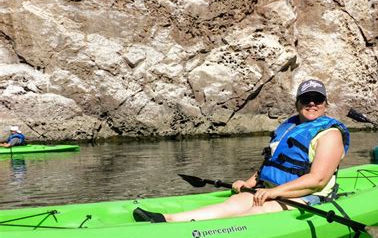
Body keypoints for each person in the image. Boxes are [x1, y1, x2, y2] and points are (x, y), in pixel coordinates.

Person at [133, 79, 350, 223]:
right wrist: (249, 184)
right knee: (233, 204)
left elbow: (318, 180)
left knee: (255, 213)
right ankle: (168, 219)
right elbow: (272, 163)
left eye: (318, 99)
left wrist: (275, 193)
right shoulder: (290, 127)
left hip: (309, 197)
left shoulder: (330, 135)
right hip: (273, 190)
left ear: (325, 104)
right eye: (306, 99)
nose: (312, 103)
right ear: (297, 103)